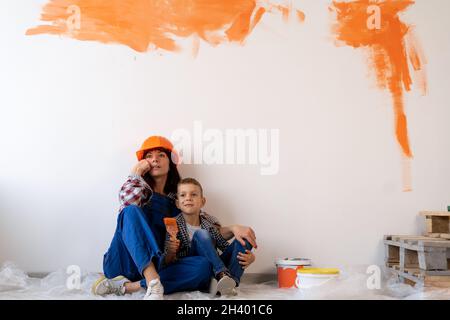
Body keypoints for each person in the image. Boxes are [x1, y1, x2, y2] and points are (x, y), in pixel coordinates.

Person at [92, 136, 258, 300]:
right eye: (149, 156)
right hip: (122, 264)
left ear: (171, 163)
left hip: (160, 267)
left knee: (202, 267)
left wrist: (234, 228)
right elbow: (126, 203)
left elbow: (206, 229)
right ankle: (152, 281)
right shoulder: (139, 191)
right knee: (130, 212)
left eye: (161, 155)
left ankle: (130, 287)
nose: (155, 160)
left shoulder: (177, 200)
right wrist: (136, 172)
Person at [161, 178, 256, 296]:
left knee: (244, 237)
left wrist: (247, 255)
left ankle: (229, 284)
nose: (188, 198)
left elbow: (225, 246)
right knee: (201, 234)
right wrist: (171, 251)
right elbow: (166, 262)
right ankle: (222, 275)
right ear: (177, 203)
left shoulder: (209, 223)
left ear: (202, 201)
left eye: (194, 194)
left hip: (214, 268)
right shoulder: (173, 224)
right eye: (183, 195)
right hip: (195, 268)